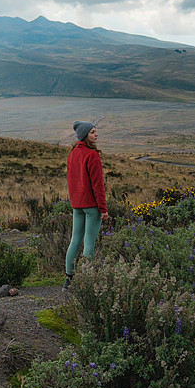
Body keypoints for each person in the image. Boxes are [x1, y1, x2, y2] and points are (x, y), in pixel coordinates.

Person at [63, 120, 109, 289]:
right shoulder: (92, 155)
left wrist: (75, 201)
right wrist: (103, 209)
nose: (96, 134)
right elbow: (98, 185)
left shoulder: (73, 153)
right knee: (89, 243)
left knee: (75, 240)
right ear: (84, 135)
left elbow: (71, 181)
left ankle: (69, 279)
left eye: (95, 131)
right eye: (92, 132)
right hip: (91, 207)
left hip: (77, 205)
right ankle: (86, 279)